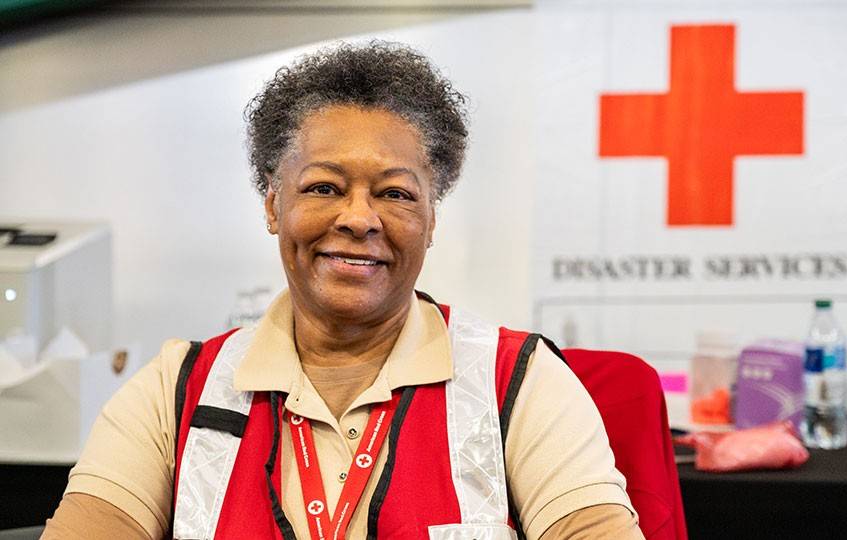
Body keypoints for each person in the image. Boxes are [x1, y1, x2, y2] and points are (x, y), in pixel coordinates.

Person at [42, 41, 643, 540]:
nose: (360, 218)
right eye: (325, 188)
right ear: (274, 205)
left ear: (432, 221)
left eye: (396, 193)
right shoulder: (177, 389)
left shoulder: (518, 379)